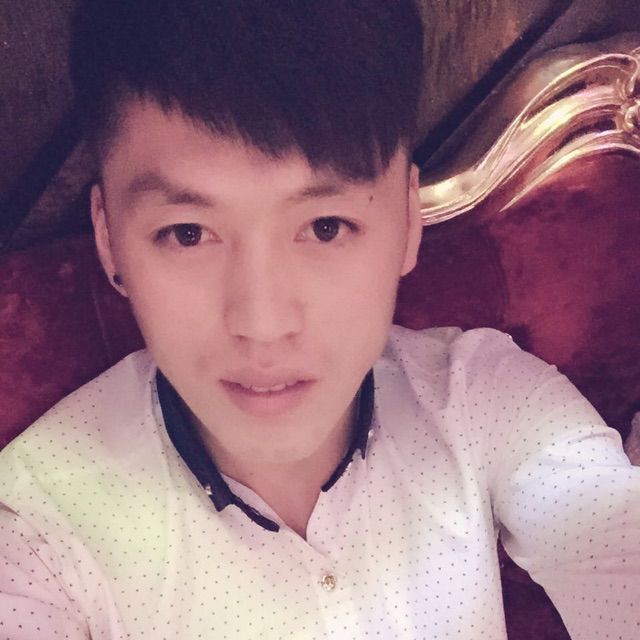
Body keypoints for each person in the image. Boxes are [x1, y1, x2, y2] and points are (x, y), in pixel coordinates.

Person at [0, 1, 638, 638]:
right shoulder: (38, 539)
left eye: (326, 227)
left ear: (408, 221)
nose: (263, 323)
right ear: (110, 241)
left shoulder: (483, 402)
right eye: (188, 233)